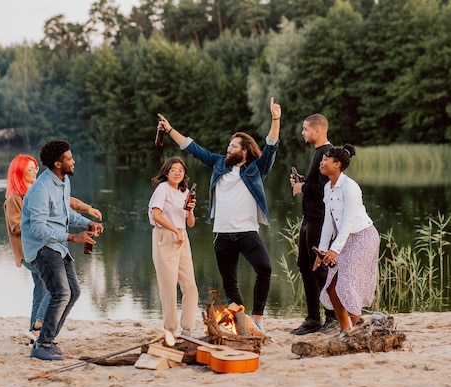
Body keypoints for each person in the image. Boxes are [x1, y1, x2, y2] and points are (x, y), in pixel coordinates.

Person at [156, 96, 281, 332]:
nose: (228, 148)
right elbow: (191, 147)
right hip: (222, 234)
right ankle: (242, 321)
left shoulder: (255, 169)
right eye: (228, 145)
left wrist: (275, 119)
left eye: (232, 146)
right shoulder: (218, 164)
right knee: (229, 283)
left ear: (244, 151)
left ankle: (258, 320)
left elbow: (272, 147)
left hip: (247, 232)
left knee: (264, 268)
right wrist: (170, 129)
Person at [4, 154, 102, 343]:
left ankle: (35, 330)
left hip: (46, 244)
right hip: (29, 251)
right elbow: (16, 227)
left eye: (35, 167)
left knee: (41, 289)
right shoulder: (14, 199)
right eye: (30, 168)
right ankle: (39, 326)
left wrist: (87, 209)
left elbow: (66, 203)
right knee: (54, 287)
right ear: (19, 172)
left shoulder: (39, 189)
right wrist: (38, 221)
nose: (35, 171)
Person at [312, 144, 380, 338]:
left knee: (345, 285)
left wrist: (335, 250)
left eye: (326, 160)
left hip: (363, 237)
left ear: (338, 164)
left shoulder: (350, 187)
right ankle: (346, 331)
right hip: (344, 241)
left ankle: (359, 325)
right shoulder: (328, 187)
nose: (321, 162)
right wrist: (323, 251)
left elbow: (348, 222)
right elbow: (328, 221)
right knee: (332, 287)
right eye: (322, 159)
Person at [289, 114, 338, 335]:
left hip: (320, 221)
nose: (302, 133)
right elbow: (317, 185)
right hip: (309, 219)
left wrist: (302, 188)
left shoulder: (327, 155)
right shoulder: (318, 154)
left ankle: (332, 317)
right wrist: (305, 182)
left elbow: (325, 191)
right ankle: (312, 318)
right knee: (305, 265)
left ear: (317, 131)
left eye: (305, 129)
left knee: (319, 269)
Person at [148, 156, 199, 347]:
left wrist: (191, 209)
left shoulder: (185, 192)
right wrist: (174, 230)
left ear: (184, 173)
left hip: (182, 237)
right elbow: (156, 214)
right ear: (166, 172)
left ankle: (187, 328)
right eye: (173, 170)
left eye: (181, 170)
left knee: (190, 286)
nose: (177, 173)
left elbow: (191, 223)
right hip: (165, 237)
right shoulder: (163, 189)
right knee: (168, 286)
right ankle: (170, 329)